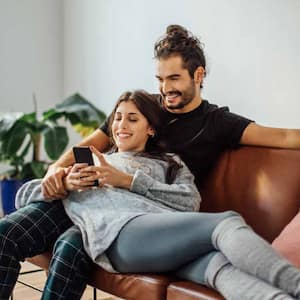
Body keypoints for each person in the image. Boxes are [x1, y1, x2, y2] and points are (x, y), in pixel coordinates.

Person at [1, 90, 300, 300]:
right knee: (7, 235)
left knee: (219, 266)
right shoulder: (90, 161)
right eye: (117, 118)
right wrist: (62, 181)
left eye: (132, 118)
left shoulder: (167, 163)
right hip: (88, 220)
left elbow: (189, 202)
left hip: (128, 228)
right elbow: (26, 196)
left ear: (151, 129)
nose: (120, 125)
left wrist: (127, 180)